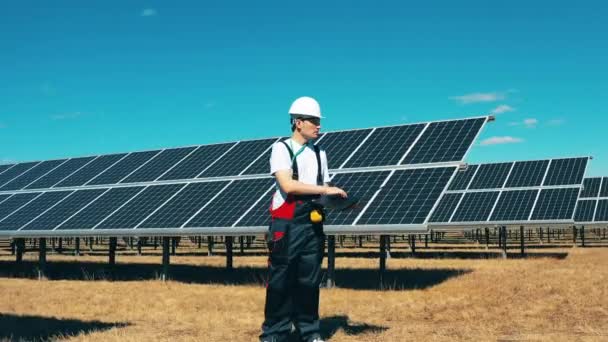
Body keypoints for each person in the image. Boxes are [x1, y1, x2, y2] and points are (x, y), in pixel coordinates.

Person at [260, 97, 347, 342]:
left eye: (319, 122)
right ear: (298, 122)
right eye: (314, 121)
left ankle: (309, 332)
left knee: (309, 280)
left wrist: (339, 201)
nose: (319, 126)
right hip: (286, 224)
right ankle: (274, 334)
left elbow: (323, 187)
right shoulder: (282, 148)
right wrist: (324, 190)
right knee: (281, 280)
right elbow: (288, 185)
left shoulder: (320, 153)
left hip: (313, 223)